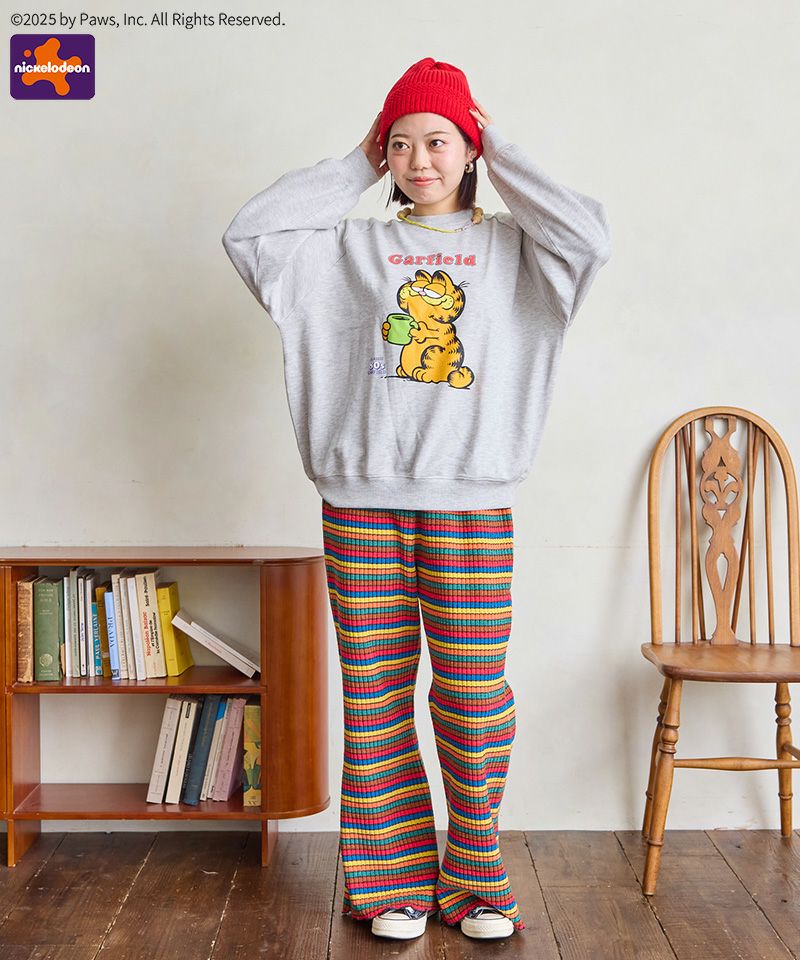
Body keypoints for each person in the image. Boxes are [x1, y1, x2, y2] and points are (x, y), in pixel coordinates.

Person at [222, 56, 611, 942]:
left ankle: (475, 882)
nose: (419, 160)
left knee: (473, 698)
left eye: (438, 141)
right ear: (382, 153)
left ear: (470, 149)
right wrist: (353, 165)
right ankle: (390, 884)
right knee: (375, 697)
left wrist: (498, 147)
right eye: (400, 144)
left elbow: (589, 237)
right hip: (359, 500)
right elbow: (249, 234)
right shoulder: (341, 250)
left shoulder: (520, 252)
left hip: (471, 500)